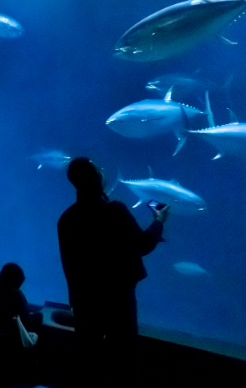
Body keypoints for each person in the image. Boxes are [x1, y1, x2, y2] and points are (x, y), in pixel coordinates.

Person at [58, 157, 168, 388]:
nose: (102, 172)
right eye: (98, 170)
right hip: (118, 299)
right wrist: (159, 221)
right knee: (123, 362)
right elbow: (144, 244)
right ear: (95, 178)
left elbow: (69, 265)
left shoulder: (66, 220)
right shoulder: (114, 210)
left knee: (87, 363)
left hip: (85, 301)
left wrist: (74, 300)